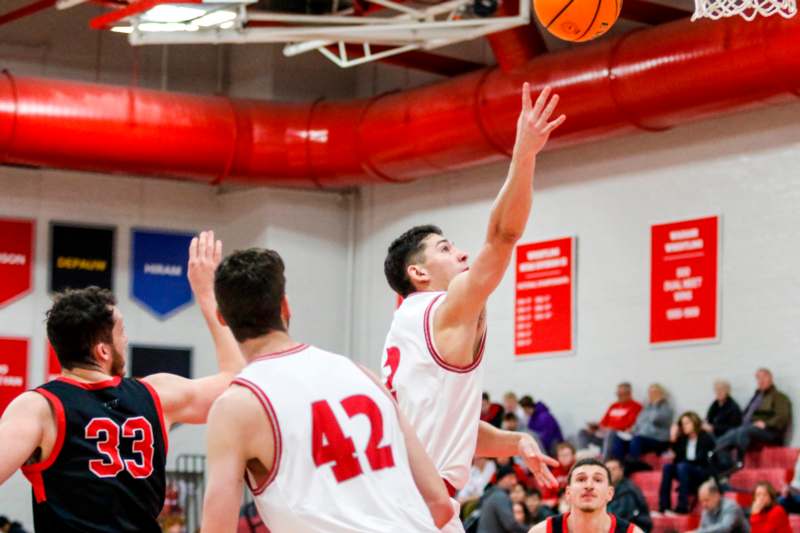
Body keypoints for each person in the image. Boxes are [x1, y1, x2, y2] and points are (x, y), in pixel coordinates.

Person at [380, 84, 564, 532]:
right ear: (418, 273)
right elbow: (502, 237)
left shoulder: (405, 320)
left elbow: (446, 428)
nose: (461, 254)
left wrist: (514, 440)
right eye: (445, 248)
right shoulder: (446, 311)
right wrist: (524, 155)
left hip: (397, 498)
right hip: (414, 507)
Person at [0, 231, 244, 533]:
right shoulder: (156, 394)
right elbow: (237, 382)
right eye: (121, 332)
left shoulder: (38, 408)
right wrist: (207, 295)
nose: (126, 340)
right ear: (103, 350)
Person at [200, 248, 453, 532]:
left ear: (222, 318)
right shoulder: (363, 374)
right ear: (285, 307)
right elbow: (440, 505)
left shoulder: (237, 405)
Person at [529, 458, 644, 533]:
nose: (589, 485)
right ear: (568, 493)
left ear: (610, 493)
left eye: (598, 480)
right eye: (581, 479)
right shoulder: (541, 531)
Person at [713, 368, 791, 470]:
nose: (761, 381)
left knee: (744, 431)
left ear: (770, 378)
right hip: (748, 429)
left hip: (770, 432)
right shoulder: (756, 397)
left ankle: (739, 463)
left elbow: (783, 417)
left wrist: (766, 423)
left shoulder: (779, 397)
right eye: (758, 378)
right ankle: (727, 467)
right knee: (723, 439)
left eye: (764, 377)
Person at [659, 411, 715, 514]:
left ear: (694, 422)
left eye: (687, 423)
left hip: (700, 470)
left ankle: (682, 507)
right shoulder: (683, 439)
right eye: (683, 424)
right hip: (684, 469)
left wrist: (685, 463)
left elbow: (703, 459)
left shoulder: (705, 437)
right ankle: (664, 506)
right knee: (667, 467)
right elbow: (675, 458)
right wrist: (672, 437)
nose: (684, 426)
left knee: (682, 466)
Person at [611, 384, 673, 462]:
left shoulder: (666, 407)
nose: (651, 395)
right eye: (650, 392)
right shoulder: (646, 408)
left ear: (661, 394)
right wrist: (631, 430)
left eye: (654, 392)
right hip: (642, 438)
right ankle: (618, 465)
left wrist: (657, 404)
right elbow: (638, 422)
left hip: (658, 440)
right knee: (619, 439)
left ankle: (634, 464)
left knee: (637, 440)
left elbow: (656, 419)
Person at [578, 383, 642, 458]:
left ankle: (605, 460)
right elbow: (603, 422)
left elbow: (630, 424)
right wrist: (595, 427)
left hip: (619, 436)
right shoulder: (614, 405)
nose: (618, 396)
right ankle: (584, 457)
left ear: (629, 394)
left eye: (621, 394)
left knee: (610, 432)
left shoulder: (636, 406)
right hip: (604, 434)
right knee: (583, 432)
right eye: (617, 394)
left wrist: (610, 428)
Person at [478, 466, 530, 533]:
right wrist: (532, 529)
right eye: (511, 478)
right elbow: (511, 525)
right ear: (501, 479)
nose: (514, 482)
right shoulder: (500, 496)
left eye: (515, 478)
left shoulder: (492, 494)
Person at [605, 458, 653, 532]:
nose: (610, 472)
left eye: (614, 469)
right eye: (608, 469)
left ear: (621, 471)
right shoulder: (610, 487)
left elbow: (620, 517)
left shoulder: (627, 490)